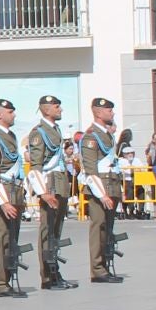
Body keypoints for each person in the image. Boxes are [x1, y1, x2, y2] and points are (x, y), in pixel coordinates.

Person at [24, 97, 76, 291]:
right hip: (49, 185)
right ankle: (48, 276)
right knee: (47, 231)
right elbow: (35, 166)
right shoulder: (39, 133)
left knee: (56, 231)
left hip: (59, 183)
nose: (60, 109)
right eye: (56, 107)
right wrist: (43, 192)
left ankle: (55, 272)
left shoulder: (54, 129)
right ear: (46, 110)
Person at [0, 100, 27, 295]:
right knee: (2, 238)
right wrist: (5, 202)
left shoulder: (10, 136)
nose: (13, 115)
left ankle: (7, 279)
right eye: (10, 112)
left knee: (12, 238)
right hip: (2, 195)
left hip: (14, 192)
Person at [79, 99, 126, 284]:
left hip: (111, 185)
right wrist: (102, 194)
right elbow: (91, 169)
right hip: (100, 189)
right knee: (98, 227)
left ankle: (105, 265)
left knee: (108, 229)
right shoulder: (91, 136)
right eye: (109, 110)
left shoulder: (107, 135)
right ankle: (97, 269)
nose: (112, 113)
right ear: (98, 113)